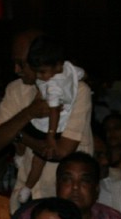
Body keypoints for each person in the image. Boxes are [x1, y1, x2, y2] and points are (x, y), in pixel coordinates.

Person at [0, 30, 94, 210]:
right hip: (26, 199)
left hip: (67, 203)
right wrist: (29, 113)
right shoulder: (15, 90)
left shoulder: (77, 91)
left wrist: (21, 136)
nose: (16, 70)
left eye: (21, 64)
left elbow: (60, 152)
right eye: (14, 63)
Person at [21, 35, 87, 191]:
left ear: (57, 66)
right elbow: (82, 74)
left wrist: (50, 136)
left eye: (42, 72)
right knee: (39, 157)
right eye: (37, 72)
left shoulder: (53, 86)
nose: (39, 76)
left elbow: (54, 112)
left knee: (35, 154)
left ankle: (27, 187)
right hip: (60, 126)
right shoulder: (69, 68)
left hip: (48, 126)